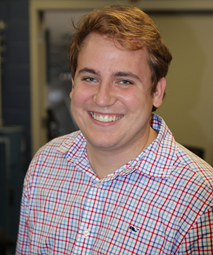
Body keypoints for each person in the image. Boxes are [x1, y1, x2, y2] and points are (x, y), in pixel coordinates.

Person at [16, 6, 213, 254]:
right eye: (90, 78)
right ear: (73, 84)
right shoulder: (45, 164)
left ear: (157, 92)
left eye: (124, 81)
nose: (102, 99)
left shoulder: (200, 197)